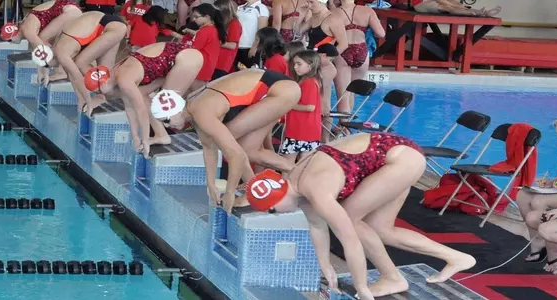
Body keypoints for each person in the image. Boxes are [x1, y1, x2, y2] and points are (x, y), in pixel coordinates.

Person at [239, 132, 477, 299]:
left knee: (351, 220)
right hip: (394, 155)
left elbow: (350, 240)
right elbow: (317, 226)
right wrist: (325, 266)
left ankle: (391, 277)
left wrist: (361, 287)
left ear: (277, 198)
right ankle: (457, 258)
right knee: (382, 229)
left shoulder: (316, 189)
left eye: (271, 210)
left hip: (400, 158)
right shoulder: (297, 186)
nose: (274, 214)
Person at [150, 69, 300, 213]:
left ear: (175, 111)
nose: (167, 126)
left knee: (234, 145)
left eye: (166, 120)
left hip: (280, 91)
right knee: (247, 149)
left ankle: (257, 191)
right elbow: (209, 147)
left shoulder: (201, 112)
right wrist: (211, 184)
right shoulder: (192, 108)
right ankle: (296, 173)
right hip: (275, 88)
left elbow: (236, 156)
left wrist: (229, 193)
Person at [84, 41, 204, 155]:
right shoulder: (115, 74)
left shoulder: (124, 80)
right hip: (175, 57)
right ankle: (161, 135)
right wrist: (135, 137)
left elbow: (141, 111)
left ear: (104, 83)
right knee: (142, 94)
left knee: (168, 112)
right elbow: (129, 108)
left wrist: (145, 140)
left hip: (186, 59)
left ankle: (205, 132)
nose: (99, 94)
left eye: (98, 92)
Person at [38, 11, 127, 113]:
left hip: (112, 28)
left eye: (49, 66)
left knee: (80, 63)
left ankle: (127, 89)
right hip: (109, 24)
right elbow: (71, 75)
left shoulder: (61, 53)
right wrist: (81, 100)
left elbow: (78, 78)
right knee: (105, 74)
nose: (53, 67)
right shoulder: (58, 47)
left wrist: (88, 101)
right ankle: (103, 96)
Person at [521, 113, 557, 265]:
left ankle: (554, 242)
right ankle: (539, 240)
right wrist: (551, 183)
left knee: (538, 201)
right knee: (523, 195)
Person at [331, 0, 385, 121]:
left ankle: (342, 127)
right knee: (352, 92)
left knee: (343, 95)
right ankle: (346, 125)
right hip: (362, 50)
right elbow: (381, 33)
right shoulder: (367, 11)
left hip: (342, 50)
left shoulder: (333, 13)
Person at [280, 50, 323, 161]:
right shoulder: (310, 80)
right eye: (294, 64)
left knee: (287, 163)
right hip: (307, 130)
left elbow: (310, 107)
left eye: (299, 64)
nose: (295, 67)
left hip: (300, 130)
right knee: (304, 164)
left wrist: (288, 104)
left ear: (310, 65)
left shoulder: (309, 82)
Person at [2, 0, 82, 50]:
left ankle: (58, 68)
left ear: (13, 35)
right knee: (49, 41)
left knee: (43, 39)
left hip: (70, 11)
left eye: (9, 40)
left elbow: (42, 50)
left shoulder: (27, 30)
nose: (11, 43)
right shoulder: (26, 26)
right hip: (69, 8)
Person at [182, 4, 226, 91]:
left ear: (207, 17)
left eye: (196, 17)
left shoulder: (205, 31)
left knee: (195, 93)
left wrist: (185, 39)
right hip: (207, 65)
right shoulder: (212, 29)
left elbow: (193, 49)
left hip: (201, 66)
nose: (194, 19)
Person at [235, 0, 270, 72]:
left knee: (250, 73)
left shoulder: (261, 8)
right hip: (238, 46)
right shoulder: (240, 7)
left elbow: (262, 30)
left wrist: (255, 47)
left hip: (250, 47)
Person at [213, 0, 242, 79]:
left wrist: (214, 42)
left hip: (222, 63)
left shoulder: (234, 23)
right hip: (214, 60)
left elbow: (232, 45)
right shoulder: (221, 23)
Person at [405, 0, 501, 16]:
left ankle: (483, 12)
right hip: (419, 4)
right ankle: (476, 12)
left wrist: (456, 4)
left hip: (429, 1)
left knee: (453, 2)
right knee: (447, 7)